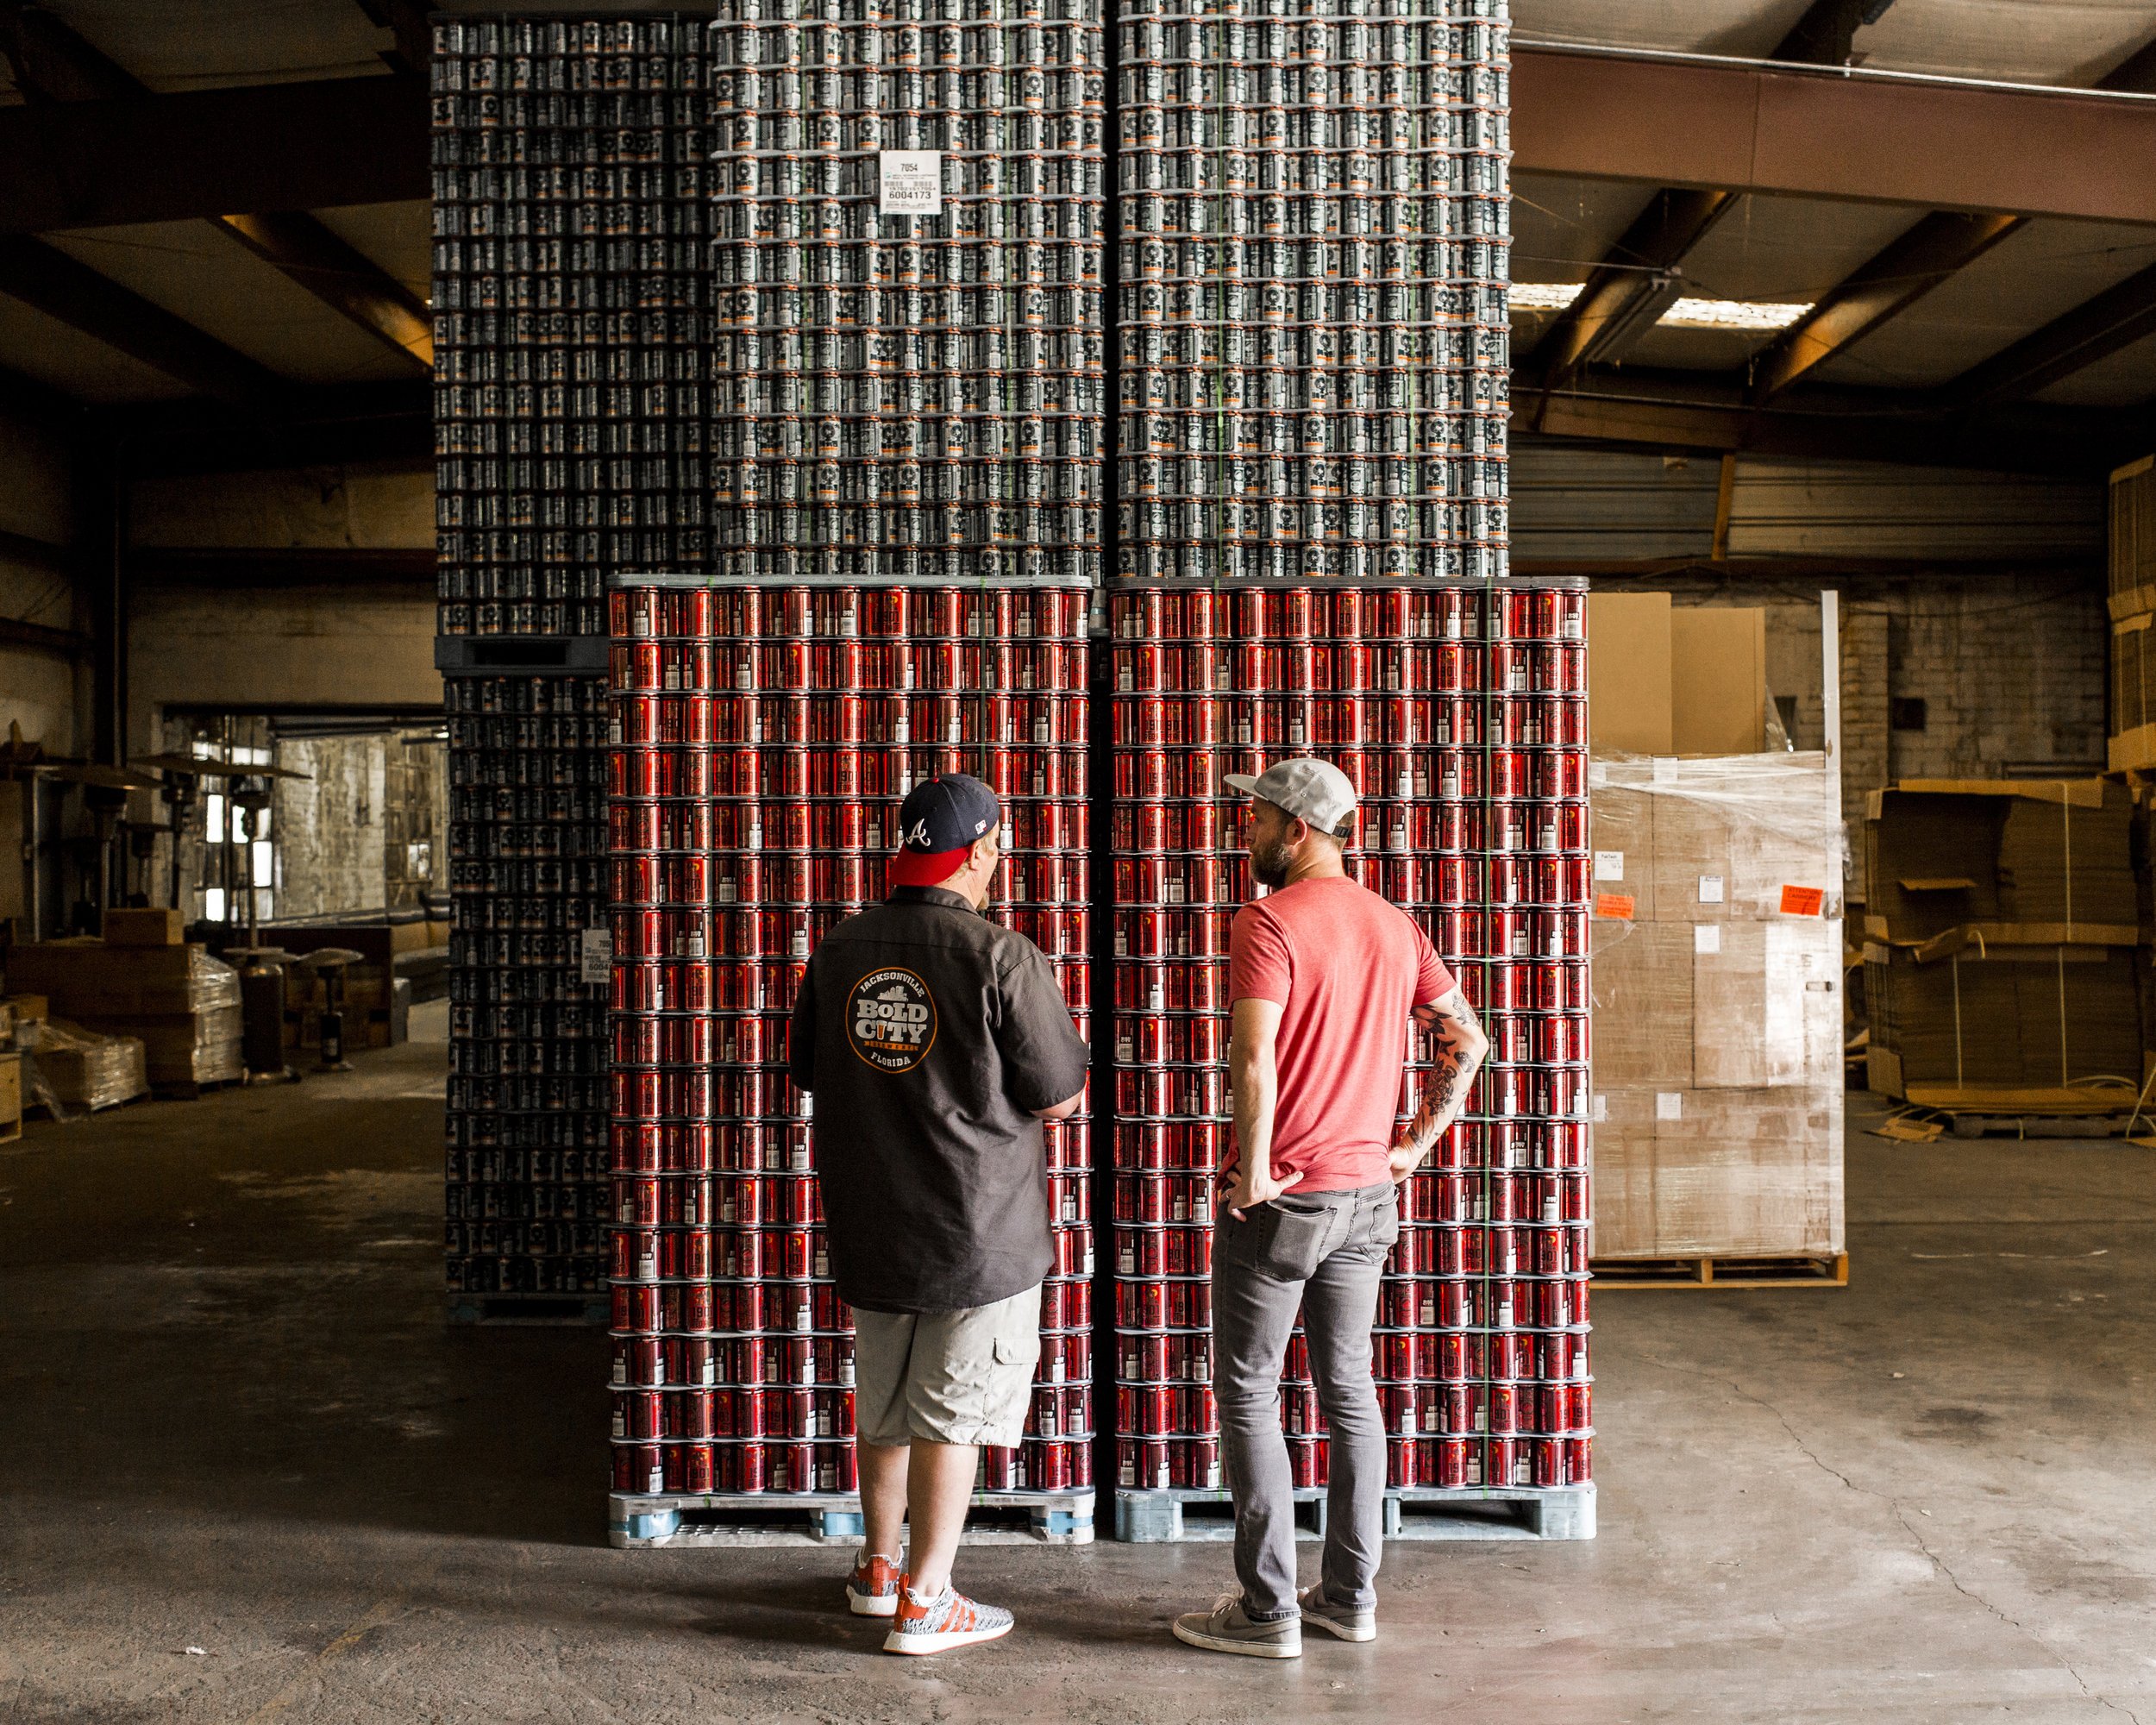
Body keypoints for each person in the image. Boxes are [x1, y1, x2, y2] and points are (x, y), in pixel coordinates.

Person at [1171, 756, 1490, 1659]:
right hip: (1366, 1198)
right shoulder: (1394, 925)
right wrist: (1412, 1145)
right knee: (1348, 1388)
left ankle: (1268, 1610)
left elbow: (1254, 1056)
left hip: (1286, 1199)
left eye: (1258, 819)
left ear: (1297, 830)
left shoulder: (1268, 919)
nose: (1247, 833)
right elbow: (1468, 1039)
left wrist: (1254, 1171)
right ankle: (1349, 1598)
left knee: (1249, 1390)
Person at [789, 772, 1088, 1656]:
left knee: (884, 1406)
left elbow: (807, 1069)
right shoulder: (1001, 955)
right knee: (952, 1413)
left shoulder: (841, 948)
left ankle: (877, 1570)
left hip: (873, 1222)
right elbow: (1059, 1094)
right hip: (975, 1232)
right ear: (983, 850)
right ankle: (927, 1601)